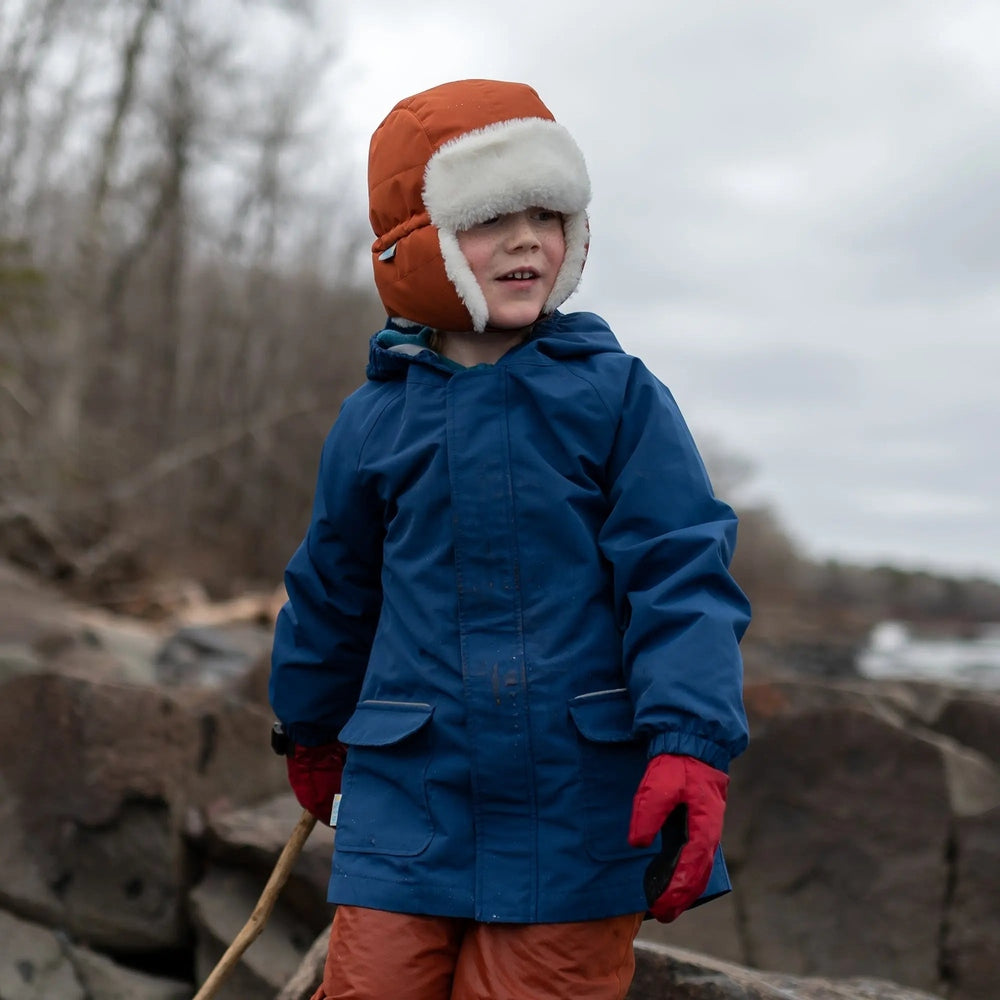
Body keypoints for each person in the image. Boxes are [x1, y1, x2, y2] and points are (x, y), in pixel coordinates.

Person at [269, 78, 750, 1000]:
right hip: (408, 801)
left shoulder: (618, 399)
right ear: (422, 242)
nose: (528, 239)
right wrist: (312, 726)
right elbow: (333, 589)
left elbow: (680, 573)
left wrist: (690, 740)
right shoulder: (373, 423)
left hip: (576, 812)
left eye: (548, 213)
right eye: (494, 218)